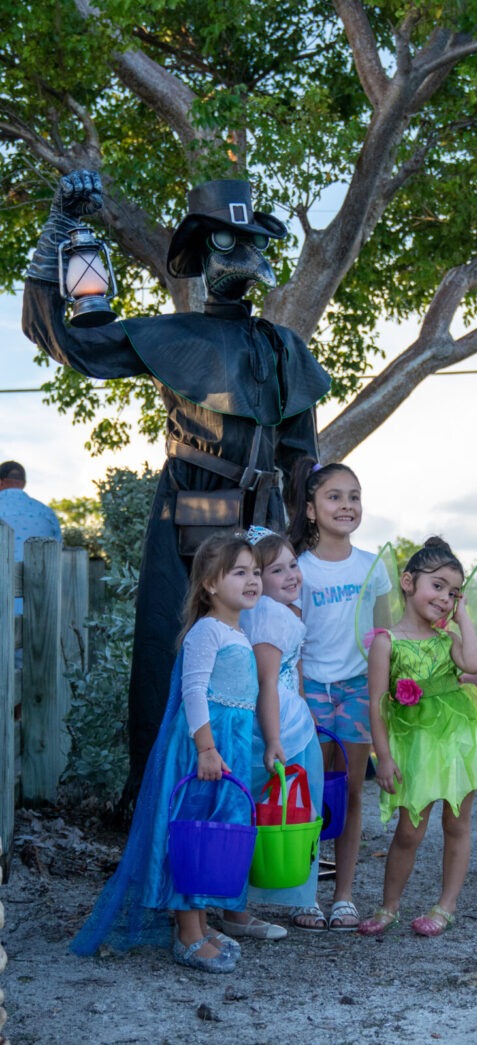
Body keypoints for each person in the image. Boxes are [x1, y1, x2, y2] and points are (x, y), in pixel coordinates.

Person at [22, 170, 330, 793]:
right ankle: (166, 805)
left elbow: (302, 458)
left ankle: (261, 804)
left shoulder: (283, 349)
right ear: (202, 254)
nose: (241, 254)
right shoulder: (174, 335)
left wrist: (301, 541)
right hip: (189, 514)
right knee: (174, 650)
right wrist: (59, 231)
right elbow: (72, 342)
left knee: (268, 660)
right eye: (225, 241)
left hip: (264, 523)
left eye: (249, 240)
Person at [71, 535, 286, 972]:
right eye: (239, 572)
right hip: (203, 749)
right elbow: (194, 691)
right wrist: (206, 748)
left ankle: (200, 924)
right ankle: (187, 935)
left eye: (255, 572)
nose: (252, 580)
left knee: (211, 836)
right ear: (210, 583)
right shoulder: (207, 631)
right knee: (192, 836)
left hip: (227, 748)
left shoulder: (236, 631)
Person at [358, 537, 477, 938]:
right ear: (408, 582)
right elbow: (376, 704)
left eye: (453, 592)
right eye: (437, 586)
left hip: (457, 741)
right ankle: (389, 907)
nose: (444, 598)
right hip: (416, 747)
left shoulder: (448, 639)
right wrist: (383, 757)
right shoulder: (386, 642)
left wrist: (463, 616)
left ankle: (445, 906)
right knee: (409, 830)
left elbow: (475, 664)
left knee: (457, 824)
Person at [286, 457, 391, 931]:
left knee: (349, 792)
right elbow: (291, 641)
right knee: (310, 791)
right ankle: (305, 893)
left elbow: (386, 638)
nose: (347, 505)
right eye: (334, 496)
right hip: (310, 690)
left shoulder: (373, 567)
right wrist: (299, 698)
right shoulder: (299, 570)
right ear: (311, 509)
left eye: (354, 496)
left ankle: (344, 895)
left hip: (357, 692)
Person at [236, 527, 324, 926]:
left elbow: (293, 670)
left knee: (280, 809)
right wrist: (274, 737)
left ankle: (289, 894)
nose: (291, 575)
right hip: (279, 726)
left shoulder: (282, 611)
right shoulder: (269, 615)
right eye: (276, 570)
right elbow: (267, 681)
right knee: (296, 807)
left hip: (290, 717)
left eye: (293, 565)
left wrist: (305, 706)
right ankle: (299, 896)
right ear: (257, 578)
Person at [0, 460, 62, 614]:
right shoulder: (46, 513)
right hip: (39, 606)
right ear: (24, 483)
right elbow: (58, 554)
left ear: (0, 482)